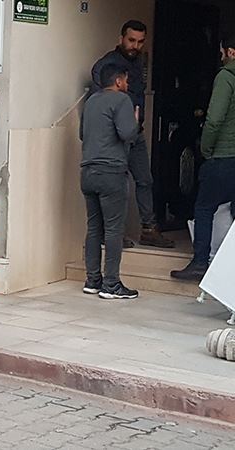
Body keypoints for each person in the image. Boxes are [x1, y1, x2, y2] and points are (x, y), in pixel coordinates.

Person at [90, 20, 174, 249]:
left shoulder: (138, 63)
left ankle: (148, 228)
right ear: (121, 39)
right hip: (116, 137)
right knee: (118, 184)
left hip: (135, 134)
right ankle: (113, 234)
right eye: (131, 40)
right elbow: (99, 97)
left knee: (145, 180)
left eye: (140, 41)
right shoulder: (107, 64)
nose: (135, 45)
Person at [171, 36, 235, 281]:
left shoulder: (226, 77)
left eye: (222, 52)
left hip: (223, 156)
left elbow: (215, 118)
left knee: (204, 207)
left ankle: (200, 262)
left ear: (230, 51)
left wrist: (205, 149)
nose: (220, 57)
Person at [80, 63, 139, 299]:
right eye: (125, 80)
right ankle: (111, 284)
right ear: (118, 81)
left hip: (87, 171)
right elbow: (127, 133)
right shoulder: (122, 100)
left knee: (94, 227)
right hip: (111, 172)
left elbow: (82, 134)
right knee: (114, 229)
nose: (127, 84)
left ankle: (93, 280)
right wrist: (135, 120)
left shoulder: (91, 101)